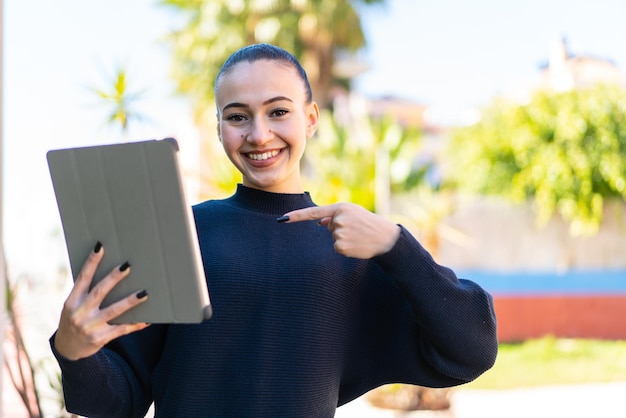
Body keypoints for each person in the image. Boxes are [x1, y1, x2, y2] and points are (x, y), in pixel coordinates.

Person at [50, 43, 498, 418]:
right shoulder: (181, 233)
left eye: (278, 111)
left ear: (311, 119)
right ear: (220, 127)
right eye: (238, 116)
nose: (259, 134)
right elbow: (114, 401)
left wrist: (396, 244)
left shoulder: (350, 248)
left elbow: (471, 351)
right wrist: (74, 349)